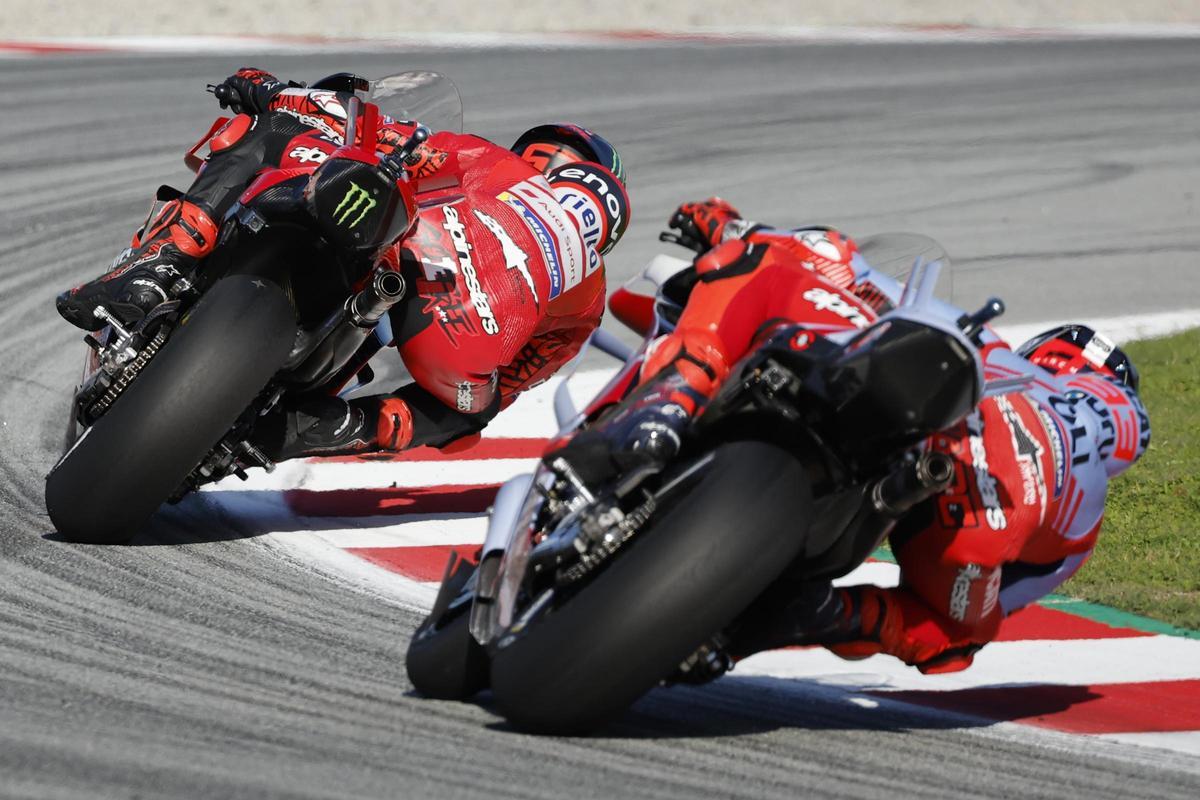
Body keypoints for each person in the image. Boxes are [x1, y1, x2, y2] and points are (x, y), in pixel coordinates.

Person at [587, 196, 1150, 675]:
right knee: (957, 638)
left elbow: (841, 261)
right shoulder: (1089, 509)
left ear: (1050, 358)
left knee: (764, 263)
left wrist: (724, 224)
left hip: (948, 433)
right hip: (980, 525)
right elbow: (982, 623)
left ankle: (670, 403)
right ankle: (805, 616)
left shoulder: (999, 352)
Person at [55, 68, 630, 460]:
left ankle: (157, 266)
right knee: (465, 404)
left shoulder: (480, 156)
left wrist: (276, 91)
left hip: (390, 289)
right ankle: (304, 426)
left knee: (269, 127)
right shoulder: (581, 307)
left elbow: (380, 132)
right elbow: (491, 396)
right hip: (392, 283)